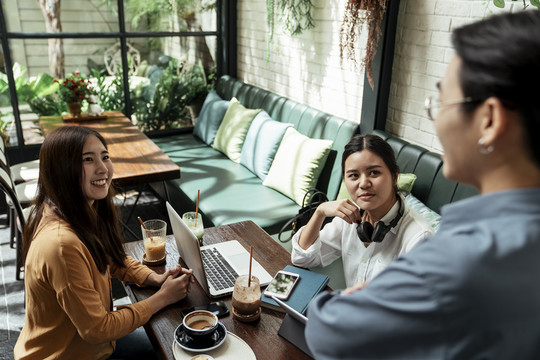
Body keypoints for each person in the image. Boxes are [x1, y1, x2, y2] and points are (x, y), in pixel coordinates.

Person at [305, 11, 540, 359]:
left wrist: (368, 294)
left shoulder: (457, 256)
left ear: (489, 120)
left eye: (442, 103)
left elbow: (328, 331)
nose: (437, 119)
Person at [14, 126, 194, 360]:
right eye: (87, 159)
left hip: (88, 344)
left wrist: (153, 278)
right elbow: (97, 329)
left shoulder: (71, 209)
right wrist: (163, 298)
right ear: (60, 169)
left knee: (169, 344)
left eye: (105, 156)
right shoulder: (61, 245)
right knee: (172, 348)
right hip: (66, 354)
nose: (103, 168)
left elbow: (108, 256)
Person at [291, 134, 434, 287]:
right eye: (353, 175)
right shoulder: (351, 215)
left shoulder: (420, 237)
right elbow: (302, 258)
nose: (363, 184)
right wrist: (320, 212)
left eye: (374, 173)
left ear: (394, 177)